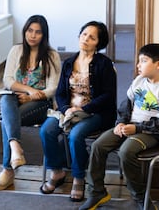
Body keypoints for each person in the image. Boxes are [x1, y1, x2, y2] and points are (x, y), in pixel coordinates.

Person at [80, 43, 159, 210]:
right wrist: (121, 123)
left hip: (152, 133)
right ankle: (97, 193)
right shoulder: (139, 81)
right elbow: (125, 106)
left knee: (126, 151)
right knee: (98, 146)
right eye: (139, 61)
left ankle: (141, 198)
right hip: (130, 126)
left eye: (143, 61)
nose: (138, 65)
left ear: (158, 65)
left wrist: (136, 128)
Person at [39, 21, 117, 202]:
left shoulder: (104, 64)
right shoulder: (68, 63)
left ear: (98, 43)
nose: (86, 39)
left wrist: (82, 108)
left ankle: (78, 177)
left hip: (95, 113)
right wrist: (66, 109)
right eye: (84, 34)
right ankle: (57, 171)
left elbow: (108, 95)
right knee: (47, 130)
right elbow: (60, 93)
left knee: (75, 135)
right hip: (69, 111)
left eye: (92, 37)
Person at [0, 15, 61, 191]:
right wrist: (28, 90)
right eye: (30, 30)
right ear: (25, 31)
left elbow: (53, 88)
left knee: (8, 119)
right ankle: (15, 147)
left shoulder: (52, 55)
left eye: (38, 32)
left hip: (41, 104)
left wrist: (32, 97)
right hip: (16, 100)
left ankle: (8, 170)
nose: (33, 35)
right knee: (6, 98)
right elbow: (7, 80)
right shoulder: (16, 50)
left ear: (44, 35)